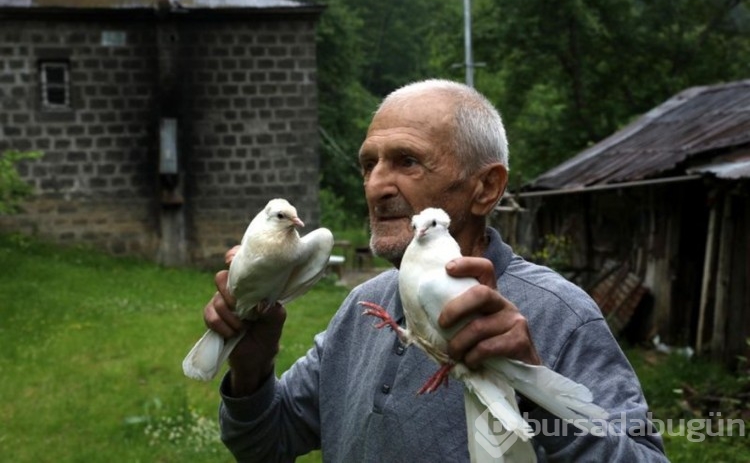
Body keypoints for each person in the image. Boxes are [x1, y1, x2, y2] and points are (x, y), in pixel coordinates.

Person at [203, 79, 668, 461]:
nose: (377, 186)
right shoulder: (363, 309)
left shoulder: (558, 316)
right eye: (369, 164)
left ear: (486, 188)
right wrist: (253, 365)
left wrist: (533, 386)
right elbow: (265, 442)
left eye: (407, 161)